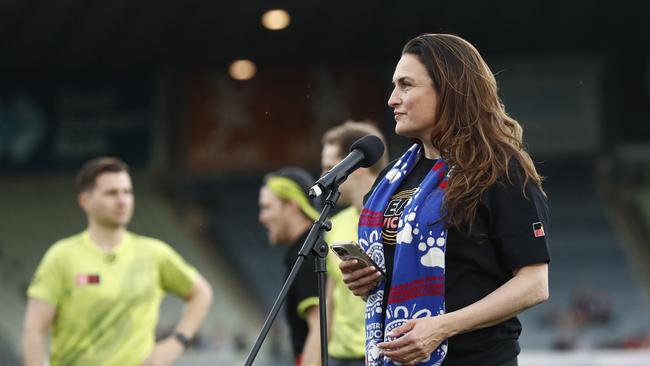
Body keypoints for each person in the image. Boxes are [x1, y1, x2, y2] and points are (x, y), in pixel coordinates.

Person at [340, 33, 550, 366]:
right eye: (394, 86)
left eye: (406, 85)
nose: (393, 99)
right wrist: (367, 280)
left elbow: (534, 284)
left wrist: (441, 327)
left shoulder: (498, 170)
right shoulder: (391, 179)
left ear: (449, 90)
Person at [22, 157, 213, 366]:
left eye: (127, 192)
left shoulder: (154, 254)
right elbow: (34, 328)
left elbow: (201, 293)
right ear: (85, 201)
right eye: (111, 193)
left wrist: (175, 344)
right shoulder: (61, 257)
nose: (122, 200)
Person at [320, 121, 389, 366]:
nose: (323, 177)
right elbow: (330, 296)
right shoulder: (333, 224)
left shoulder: (395, 219)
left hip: (382, 352)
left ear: (357, 166)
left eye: (330, 168)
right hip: (339, 357)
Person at [258, 167, 322, 366]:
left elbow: (320, 330)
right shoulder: (313, 245)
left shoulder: (308, 255)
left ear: (292, 206)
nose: (262, 218)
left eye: (267, 207)